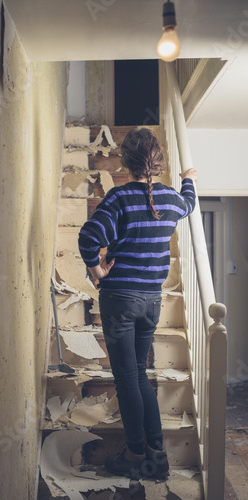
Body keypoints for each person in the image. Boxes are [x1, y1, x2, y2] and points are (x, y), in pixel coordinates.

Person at [78, 127, 197, 479]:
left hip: (120, 299)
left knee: (128, 379)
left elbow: (89, 236)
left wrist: (97, 268)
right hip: (150, 302)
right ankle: (156, 456)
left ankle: (134, 454)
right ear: (158, 163)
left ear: (125, 163)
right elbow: (189, 204)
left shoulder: (119, 199)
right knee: (139, 376)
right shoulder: (172, 200)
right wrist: (188, 179)